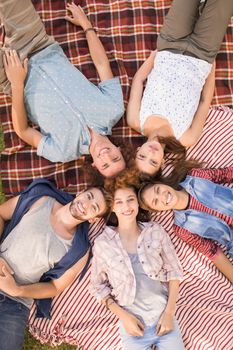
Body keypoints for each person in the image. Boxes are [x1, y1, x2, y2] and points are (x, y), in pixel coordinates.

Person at [0, 1, 125, 177]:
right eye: (116, 158)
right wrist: (86, 25)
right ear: (120, 150)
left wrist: (16, 84)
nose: (106, 155)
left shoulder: (62, 152)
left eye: (105, 165)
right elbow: (102, 65)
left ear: (95, 166)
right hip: (37, 44)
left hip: (9, 76)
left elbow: (23, 131)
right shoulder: (114, 109)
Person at [0, 178, 111, 350]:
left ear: (94, 219)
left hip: (15, 303)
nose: (86, 205)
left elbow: (55, 287)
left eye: (94, 207)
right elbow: (1, 214)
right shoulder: (41, 199)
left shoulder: (79, 250)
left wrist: (17, 290)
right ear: (81, 192)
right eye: (89, 196)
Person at [127, 0, 233, 178]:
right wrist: (210, 67)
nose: (151, 153)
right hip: (202, 54)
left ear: (138, 150)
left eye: (143, 156)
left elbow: (138, 81)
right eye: (153, 161)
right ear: (162, 162)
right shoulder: (185, 138)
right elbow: (205, 101)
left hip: (170, 44)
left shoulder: (136, 120)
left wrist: (153, 57)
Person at [90, 169, 184, 350]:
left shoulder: (155, 231)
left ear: (138, 203)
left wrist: (169, 313)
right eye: (119, 202)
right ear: (113, 207)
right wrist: (124, 317)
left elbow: (174, 271)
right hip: (132, 326)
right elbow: (97, 286)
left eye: (130, 200)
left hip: (163, 319)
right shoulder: (103, 244)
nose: (126, 207)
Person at [138, 166, 233, 284]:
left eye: (158, 190)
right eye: (156, 202)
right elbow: (213, 252)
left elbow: (228, 174)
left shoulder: (196, 176)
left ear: (161, 184)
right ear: (158, 210)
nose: (162, 196)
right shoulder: (182, 229)